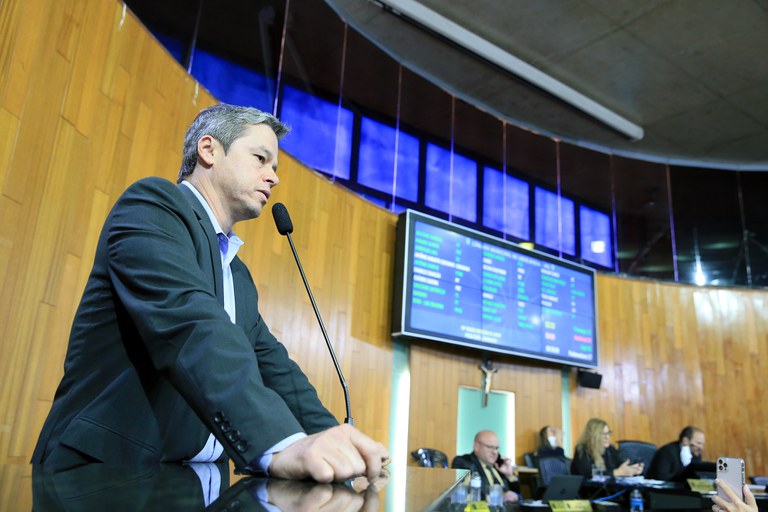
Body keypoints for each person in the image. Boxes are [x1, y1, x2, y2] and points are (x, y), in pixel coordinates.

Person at [31, 103, 389, 483]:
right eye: (261, 159)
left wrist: (335, 442)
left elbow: (273, 368)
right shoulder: (152, 207)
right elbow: (193, 327)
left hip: (192, 481)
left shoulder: (238, 273)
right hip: (104, 477)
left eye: (274, 167)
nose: (273, 177)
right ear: (209, 150)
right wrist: (279, 442)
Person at [451, 430, 520, 503]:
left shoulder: (498, 466)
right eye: (490, 447)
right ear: (476, 446)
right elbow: (467, 493)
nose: (495, 452)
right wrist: (498, 498)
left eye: (496, 448)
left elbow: (518, 494)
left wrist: (509, 475)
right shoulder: (464, 462)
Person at [570, 418, 644, 479]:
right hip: (590, 491)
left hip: (609, 489)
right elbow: (589, 475)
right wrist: (616, 472)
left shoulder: (610, 449)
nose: (607, 437)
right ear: (593, 436)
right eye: (603, 434)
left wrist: (633, 469)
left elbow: (621, 465)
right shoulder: (582, 450)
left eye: (608, 433)